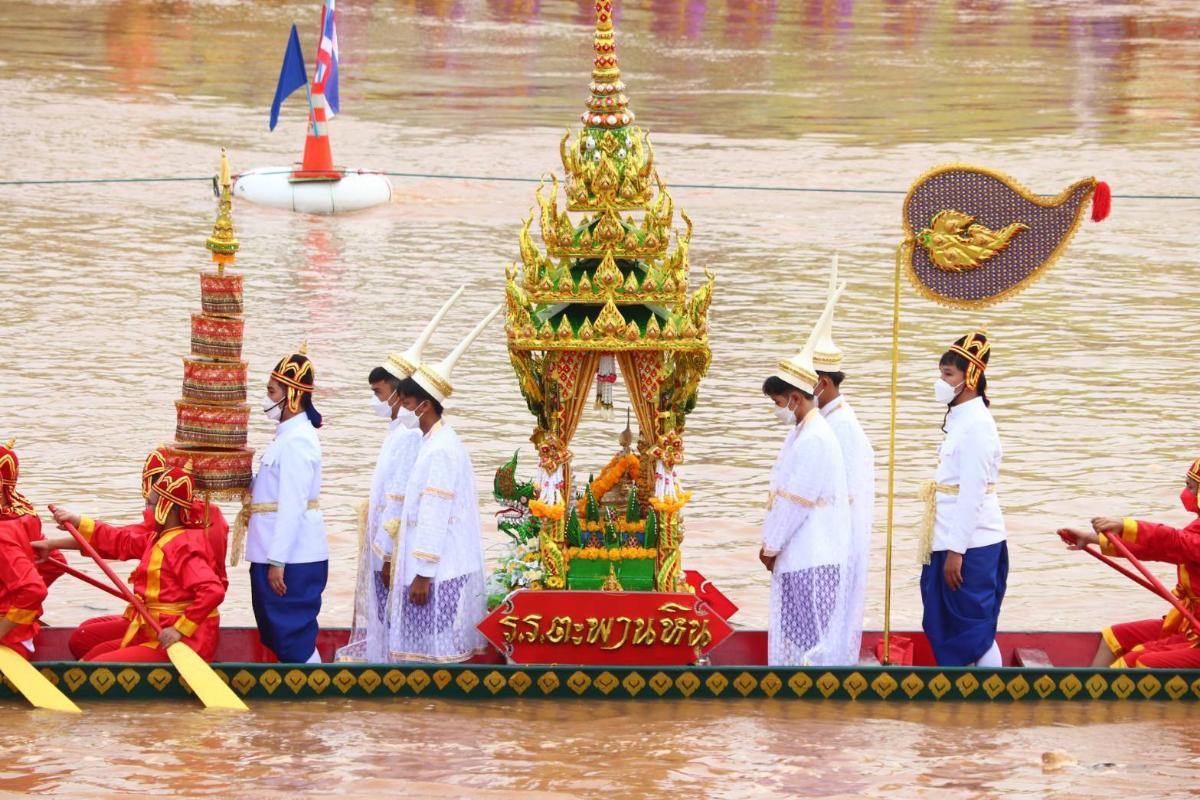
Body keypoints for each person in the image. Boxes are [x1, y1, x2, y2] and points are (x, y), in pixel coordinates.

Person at [336, 287, 464, 663]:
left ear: (400, 394)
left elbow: (408, 502)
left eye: (382, 393)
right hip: (387, 545)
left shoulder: (414, 437)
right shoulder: (401, 432)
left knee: (406, 628)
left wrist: (391, 556)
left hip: (397, 548)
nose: (379, 402)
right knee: (390, 623)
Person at [386, 307, 499, 663]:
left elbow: (435, 513)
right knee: (425, 642)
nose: (400, 409)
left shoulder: (441, 450)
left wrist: (422, 574)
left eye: (404, 402)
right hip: (436, 564)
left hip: (440, 567)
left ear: (425, 405)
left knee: (432, 645)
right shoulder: (430, 441)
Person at [49, 447, 229, 659]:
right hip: (155, 624)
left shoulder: (183, 545)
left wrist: (180, 629)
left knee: (94, 664)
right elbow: (121, 540)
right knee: (86, 644)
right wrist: (75, 524)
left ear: (165, 506)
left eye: (150, 503)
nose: (146, 510)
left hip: (181, 638)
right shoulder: (158, 537)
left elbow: (213, 591)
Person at [760, 334, 853, 666]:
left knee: (810, 636)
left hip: (812, 551)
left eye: (776, 402)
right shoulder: (801, 432)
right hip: (801, 551)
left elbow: (794, 502)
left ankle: (811, 690)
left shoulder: (815, 438)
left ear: (795, 398)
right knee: (799, 631)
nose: (776, 410)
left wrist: (771, 545)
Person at [919, 328, 1007, 667]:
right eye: (941, 373)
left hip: (972, 543)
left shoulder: (978, 426)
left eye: (947, 374)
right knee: (947, 622)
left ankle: (989, 695)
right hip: (946, 536)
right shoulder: (959, 419)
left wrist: (957, 552)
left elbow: (972, 494)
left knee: (973, 628)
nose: (941, 381)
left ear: (969, 378)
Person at [1059, 456, 1200, 669]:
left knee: (1137, 662)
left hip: (1195, 634)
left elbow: (1177, 542)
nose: (1185, 494)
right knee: (1113, 637)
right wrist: (1092, 538)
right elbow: (1159, 547)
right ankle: (1088, 695)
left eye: (1191, 488)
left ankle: (1097, 699)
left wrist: (1127, 526)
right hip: (1188, 622)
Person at [235, 345, 328, 664]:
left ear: (292, 395)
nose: (266, 397)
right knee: (276, 629)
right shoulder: (285, 437)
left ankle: (311, 691)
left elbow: (292, 504)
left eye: (271, 390)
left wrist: (278, 560)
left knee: (293, 634)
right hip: (273, 550)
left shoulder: (299, 440)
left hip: (293, 556)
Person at [809, 256, 874, 663]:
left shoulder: (843, 427)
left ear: (824, 383)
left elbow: (847, 498)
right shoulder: (822, 422)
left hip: (838, 539)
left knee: (831, 618)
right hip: (823, 536)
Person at [0, 440, 50, 659]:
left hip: (10, 640)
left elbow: (33, 590)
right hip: (21, 628)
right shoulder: (21, 517)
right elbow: (56, 563)